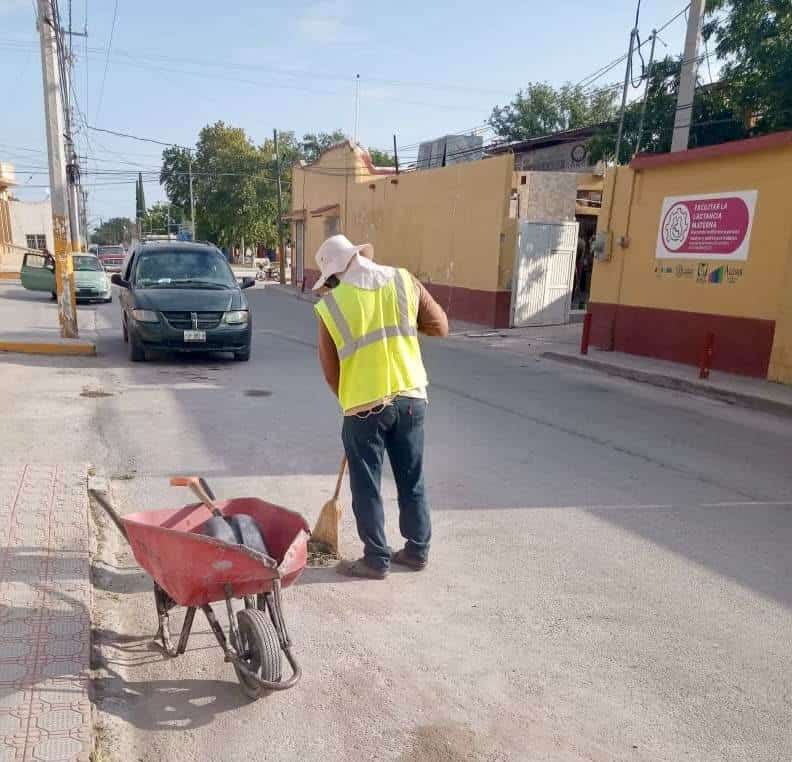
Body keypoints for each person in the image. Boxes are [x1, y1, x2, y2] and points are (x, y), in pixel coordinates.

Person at [314, 234, 448, 579]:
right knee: (412, 478)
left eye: (328, 280)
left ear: (334, 274)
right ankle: (417, 551)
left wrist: (351, 404)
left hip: (364, 407)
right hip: (412, 398)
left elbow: (331, 374)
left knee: (367, 484)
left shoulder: (332, 305)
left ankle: (376, 559)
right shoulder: (405, 280)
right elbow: (440, 326)